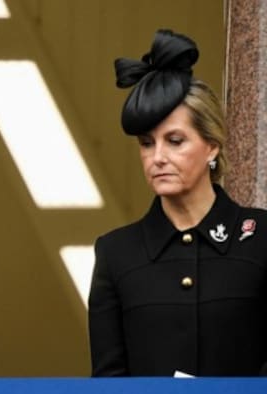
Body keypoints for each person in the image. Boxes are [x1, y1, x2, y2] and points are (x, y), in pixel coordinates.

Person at [89, 29, 267, 376]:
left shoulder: (262, 238)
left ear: (212, 145)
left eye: (174, 141)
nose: (157, 157)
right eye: (146, 143)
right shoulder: (116, 253)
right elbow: (109, 386)